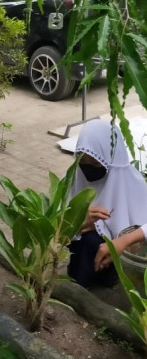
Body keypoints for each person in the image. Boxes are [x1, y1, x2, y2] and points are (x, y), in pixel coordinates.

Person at [67, 119, 147, 288]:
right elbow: (55, 225)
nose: (88, 169)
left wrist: (121, 242)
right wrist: (79, 221)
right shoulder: (74, 178)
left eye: (96, 163)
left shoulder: (134, 184)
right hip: (86, 256)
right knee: (88, 240)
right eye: (83, 162)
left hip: (124, 256)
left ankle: (110, 277)